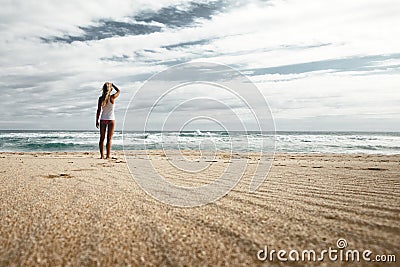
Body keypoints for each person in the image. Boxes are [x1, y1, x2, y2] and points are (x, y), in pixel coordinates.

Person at [96, 82, 120, 159]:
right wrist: (113, 84)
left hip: (103, 119)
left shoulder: (100, 98)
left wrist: (96, 120)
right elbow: (119, 91)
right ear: (110, 89)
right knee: (109, 139)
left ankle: (102, 155)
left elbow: (98, 110)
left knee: (102, 138)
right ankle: (108, 156)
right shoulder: (112, 97)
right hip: (111, 119)